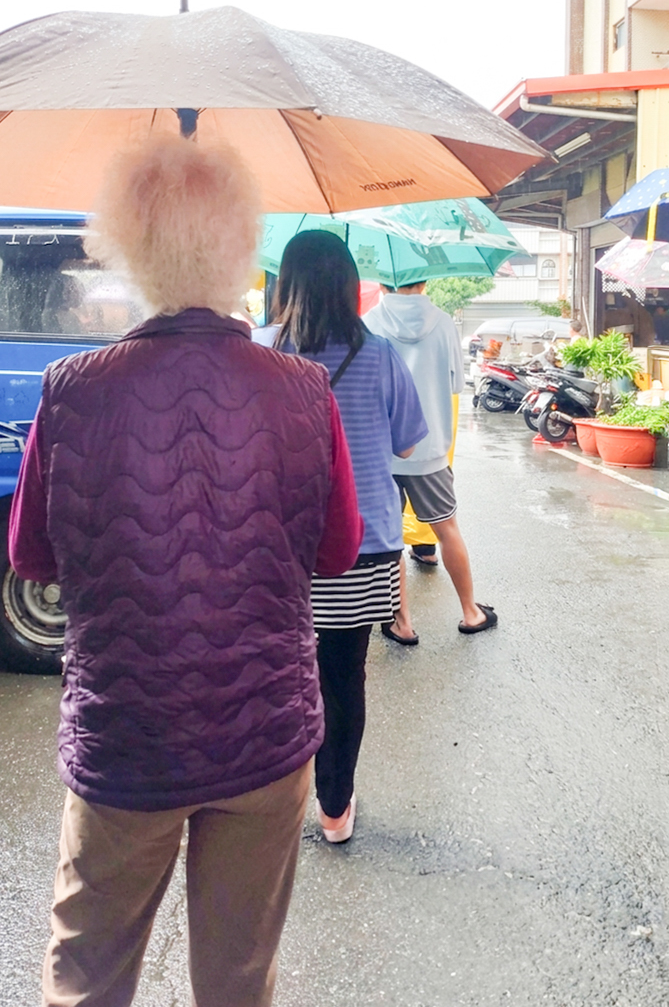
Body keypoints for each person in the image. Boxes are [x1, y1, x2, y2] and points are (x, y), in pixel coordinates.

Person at [9, 136, 363, 1007]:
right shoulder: (304, 390)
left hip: (124, 737)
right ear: (241, 242)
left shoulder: (70, 386)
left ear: (124, 242)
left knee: (87, 974)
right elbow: (338, 550)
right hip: (265, 732)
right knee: (237, 980)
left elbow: (31, 558)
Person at [273, 231, 427, 839]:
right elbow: (407, 442)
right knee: (342, 675)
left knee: (279, 671)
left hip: (277, 546)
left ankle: (271, 803)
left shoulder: (264, 353)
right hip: (362, 543)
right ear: (347, 286)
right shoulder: (381, 355)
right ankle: (334, 807)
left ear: (284, 285)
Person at [365, 281, 497, 639]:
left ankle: (402, 623)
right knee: (447, 529)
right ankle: (471, 613)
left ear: (381, 282)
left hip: (384, 449)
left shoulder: (369, 322)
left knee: (391, 539)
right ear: (424, 282)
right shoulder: (442, 322)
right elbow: (456, 384)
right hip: (430, 448)